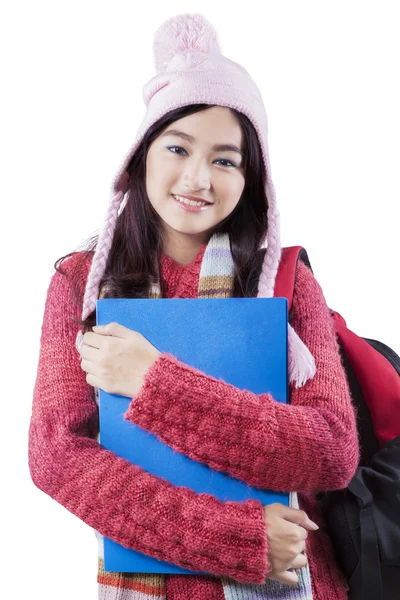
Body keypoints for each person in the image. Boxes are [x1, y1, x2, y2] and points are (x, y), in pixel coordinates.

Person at [28, 12, 360, 600]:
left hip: (299, 583)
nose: (198, 177)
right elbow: (58, 457)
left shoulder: (283, 279)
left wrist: (152, 380)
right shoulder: (82, 284)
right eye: (178, 147)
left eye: (226, 159)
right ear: (142, 157)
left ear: (251, 176)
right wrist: (236, 538)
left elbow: (331, 452)